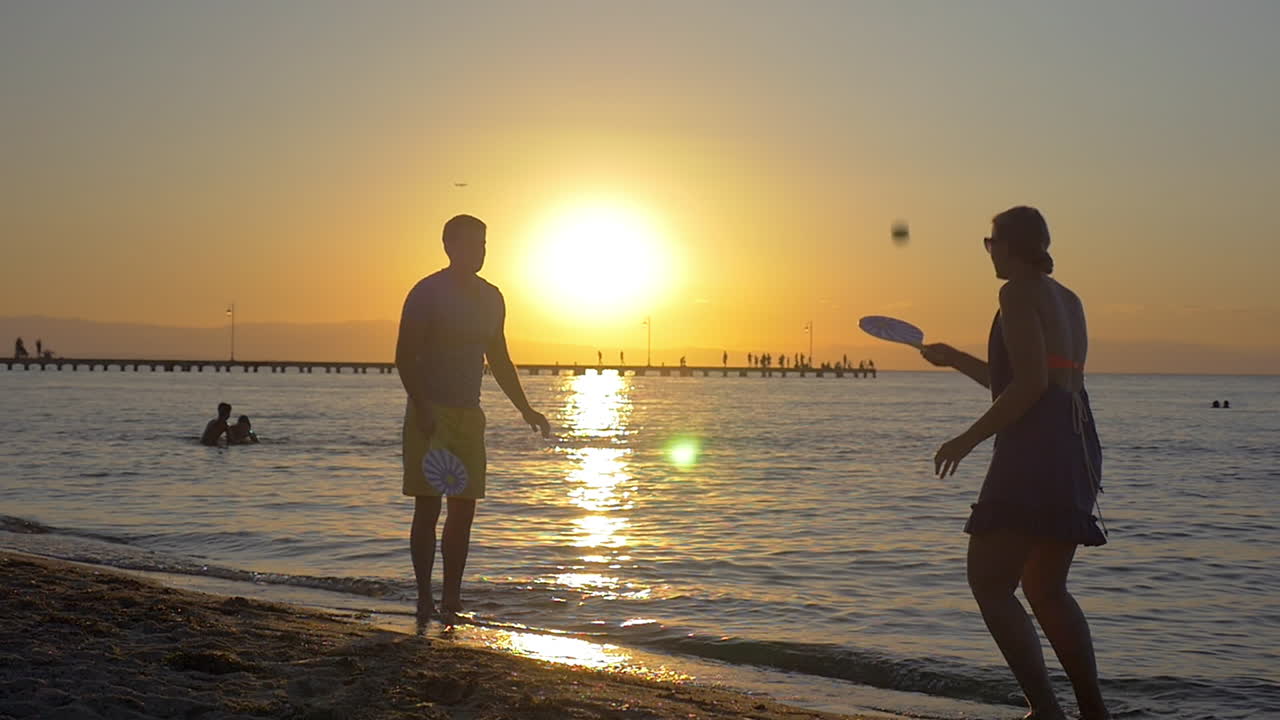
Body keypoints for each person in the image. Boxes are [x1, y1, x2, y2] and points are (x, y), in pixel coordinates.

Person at [922, 206, 1109, 720]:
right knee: (1046, 590)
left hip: (1035, 450)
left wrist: (966, 440)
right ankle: (1093, 711)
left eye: (991, 243)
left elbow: (1028, 387)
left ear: (1010, 245)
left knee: (989, 583)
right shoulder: (1068, 298)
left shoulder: (1016, 292)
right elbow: (1031, 379)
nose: (989, 253)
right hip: (1076, 444)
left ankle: (1046, 711)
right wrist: (955, 358)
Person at [396, 214, 551, 626]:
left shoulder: (492, 298)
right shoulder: (427, 292)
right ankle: (424, 598)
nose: (478, 251)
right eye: (469, 243)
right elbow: (404, 355)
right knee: (428, 508)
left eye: (483, 243)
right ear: (448, 246)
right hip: (429, 413)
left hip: (469, 416)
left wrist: (526, 408)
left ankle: (452, 599)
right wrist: (422, 406)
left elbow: (498, 358)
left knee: (463, 511)